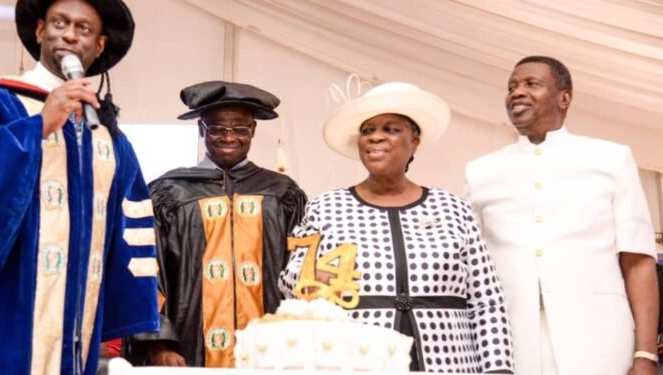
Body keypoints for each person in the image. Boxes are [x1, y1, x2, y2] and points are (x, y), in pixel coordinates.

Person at [0, 0, 160, 373]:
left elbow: (130, 231)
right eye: (59, 22)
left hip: (74, 336)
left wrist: (117, 332)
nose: (68, 34)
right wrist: (39, 126)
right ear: (39, 31)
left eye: (83, 28)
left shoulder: (109, 138)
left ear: (99, 46)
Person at [279, 82, 514, 373]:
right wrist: (312, 278)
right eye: (368, 131)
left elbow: (487, 300)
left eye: (391, 129)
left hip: (450, 362)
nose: (376, 137)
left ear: (414, 141)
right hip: (359, 362)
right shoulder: (326, 207)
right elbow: (289, 282)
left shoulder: (453, 208)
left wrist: (498, 368)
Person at [465, 56, 659, 375]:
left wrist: (645, 354)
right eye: (511, 87)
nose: (517, 92)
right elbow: (472, 269)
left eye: (531, 84)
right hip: (510, 347)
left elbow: (638, 260)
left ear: (564, 97)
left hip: (600, 341)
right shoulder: (480, 172)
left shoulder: (610, 159)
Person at [128, 81, 307, 367]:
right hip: (188, 346)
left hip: (272, 349)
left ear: (253, 130)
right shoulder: (170, 192)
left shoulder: (282, 193)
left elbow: (300, 273)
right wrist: (158, 342)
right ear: (201, 129)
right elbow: (148, 271)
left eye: (239, 129)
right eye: (217, 128)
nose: (228, 137)